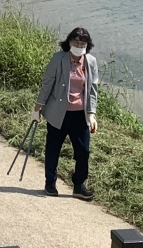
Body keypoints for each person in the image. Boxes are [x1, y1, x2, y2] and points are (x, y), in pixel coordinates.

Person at [33, 27, 98, 199]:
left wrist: (91, 113)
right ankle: (50, 183)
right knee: (53, 149)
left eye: (82, 43)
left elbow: (92, 89)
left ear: (87, 45)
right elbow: (47, 83)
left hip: (80, 115)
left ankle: (79, 185)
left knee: (83, 151)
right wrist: (38, 108)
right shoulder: (59, 58)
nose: (79, 46)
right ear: (69, 42)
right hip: (58, 114)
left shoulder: (90, 61)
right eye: (76, 42)